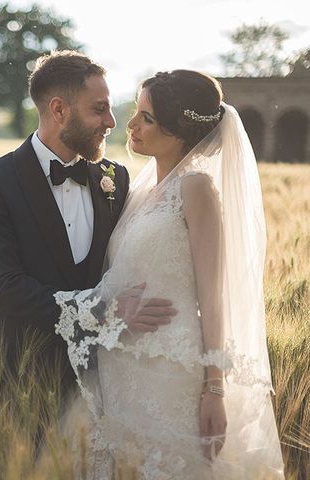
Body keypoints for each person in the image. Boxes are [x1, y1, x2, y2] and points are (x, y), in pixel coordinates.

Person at [55, 70, 285, 478]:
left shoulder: (197, 189)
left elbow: (214, 296)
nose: (130, 124)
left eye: (146, 117)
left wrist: (214, 387)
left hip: (170, 371)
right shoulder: (139, 190)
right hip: (119, 362)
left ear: (177, 130)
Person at [0, 50, 175, 401]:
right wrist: (102, 310)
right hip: (13, 377)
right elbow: (2, 285)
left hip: (98, 378)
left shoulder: (115, 178)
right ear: (59, 110)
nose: (111, 122)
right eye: (99, 109)